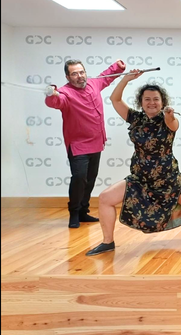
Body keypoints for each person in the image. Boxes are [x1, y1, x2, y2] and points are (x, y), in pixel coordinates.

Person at [85, 71, 181, 256]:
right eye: (147, 99)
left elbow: (173, 124)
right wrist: (126, 79)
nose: (151, 102)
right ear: (141, 102)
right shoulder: (135, 118)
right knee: (105, 198)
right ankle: (107, 242)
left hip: (168, 178)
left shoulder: (168, 119)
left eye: (156, 99)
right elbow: (115, 99)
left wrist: (169, 116)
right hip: (140, 178)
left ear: (162, 101)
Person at [45, 58, 127, 228]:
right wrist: (51, 94)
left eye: (82, 72)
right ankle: (74, 212)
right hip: (78, 145)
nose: (80, 76)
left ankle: (83, 211)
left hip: (97, 141)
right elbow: (55, 102)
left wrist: (117, 67)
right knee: (79, 178)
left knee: (90, 179)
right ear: (68, 77)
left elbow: (106, 76)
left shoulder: (94, 83)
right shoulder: (64, 93)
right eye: (74, 74)